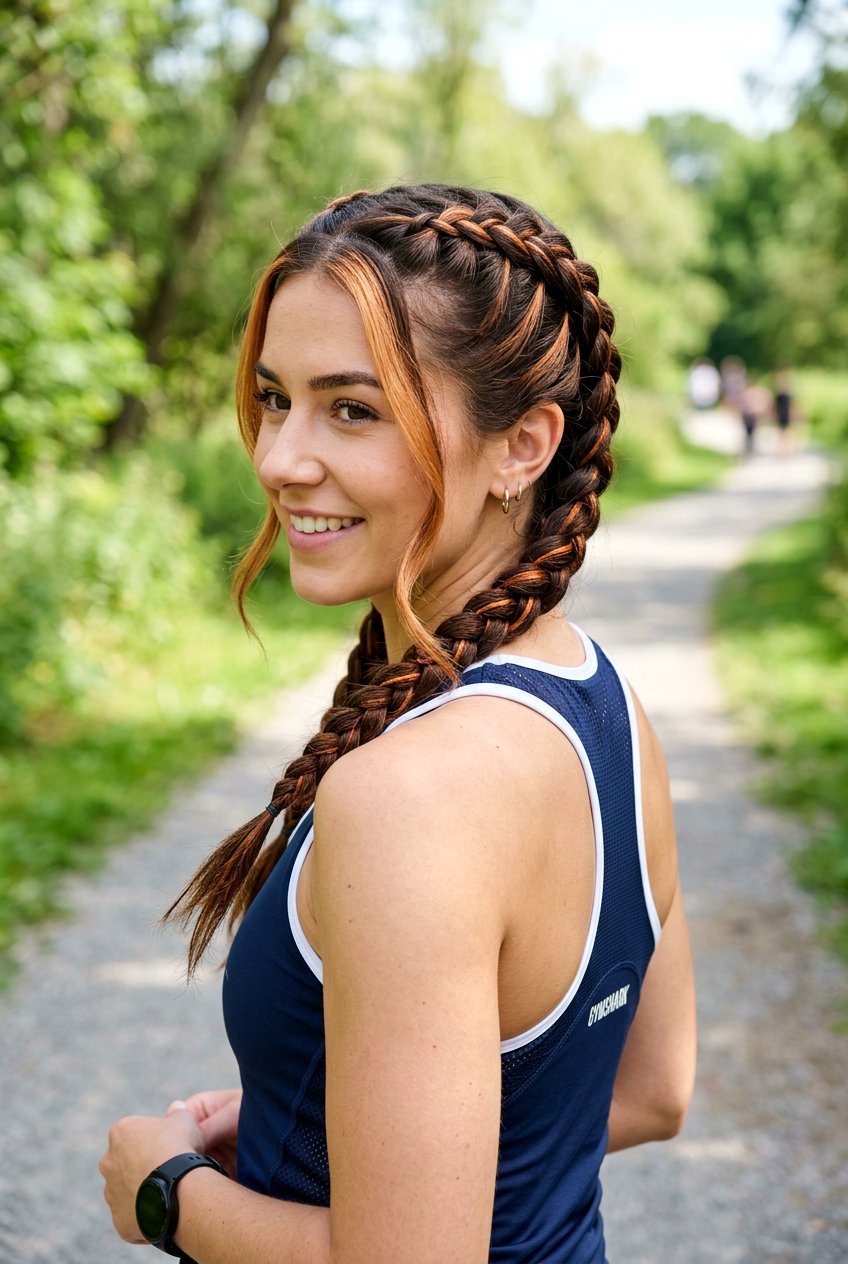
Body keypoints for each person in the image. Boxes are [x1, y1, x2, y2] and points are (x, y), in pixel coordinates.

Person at [100, 184, 697, 1263]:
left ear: (522, 447)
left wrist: (164, 1191)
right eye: (276, 398)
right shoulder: (607, 702)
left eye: (353, 409)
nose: (280, 458)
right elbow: (653, 1089)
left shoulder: (405, 795)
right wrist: (373, 1139)